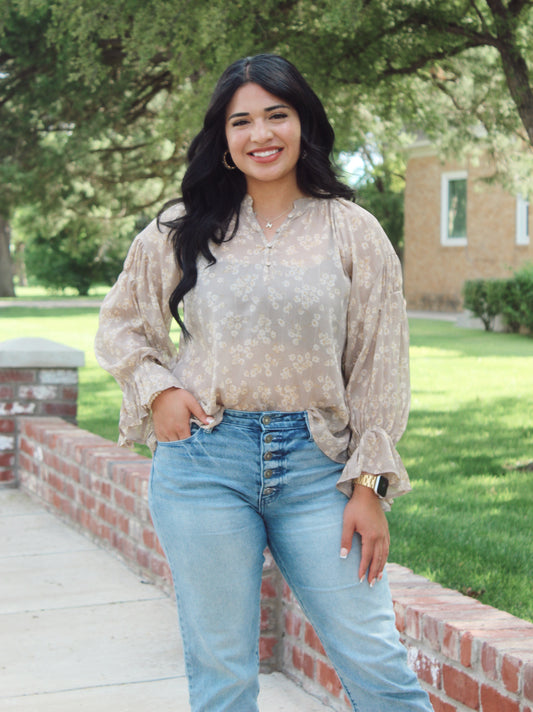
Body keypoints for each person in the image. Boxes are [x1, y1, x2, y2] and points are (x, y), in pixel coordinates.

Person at [95, 53, 433, 712]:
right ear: (222, 141)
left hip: (318, 471)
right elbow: (121, 325)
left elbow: (378, 368)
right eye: (241, 121)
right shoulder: (181, 227)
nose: (261, 135)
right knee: (222, 677)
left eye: (276, 115)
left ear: (302, 122)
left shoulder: (352, 230)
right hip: (203, 467)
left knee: (378, 666)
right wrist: (157, 388)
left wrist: (367, 486)